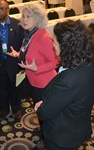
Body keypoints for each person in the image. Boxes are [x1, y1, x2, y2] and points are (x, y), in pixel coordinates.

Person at [34, 20, 94, 149]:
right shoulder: (87, 62)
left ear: (67, 47)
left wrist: (41, 106)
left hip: (62, 137)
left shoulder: (68, 80)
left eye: (55, 43)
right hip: (79, 125)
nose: (53, 46)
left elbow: (44, 113)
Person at [7, 3, 59, 147]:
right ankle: (43, 131)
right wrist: (18, 55)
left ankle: (49, 139)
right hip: (34, 82)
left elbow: (55, 61)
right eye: (23, 16)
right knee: (40, 111)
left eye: (28, 16)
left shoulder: (43, 37)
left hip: (46, 84)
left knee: (47, 114)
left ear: (37, 19)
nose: (24, 19)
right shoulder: (29, 34)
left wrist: (37, 68)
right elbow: (29, 55)